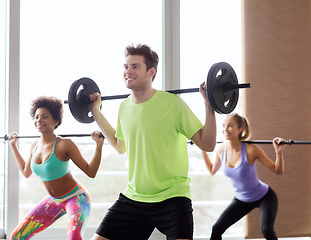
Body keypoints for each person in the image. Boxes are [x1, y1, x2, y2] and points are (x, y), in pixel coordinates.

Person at [88, 44, 217, 240]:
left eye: (135, 66)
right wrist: (96, 111)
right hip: (134, 197)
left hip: (172, 197)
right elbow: (118, 145)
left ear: (151, 72)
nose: (128, 71)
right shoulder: (124, 107)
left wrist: (210, 104)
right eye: (126, 67)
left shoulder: (172, 104)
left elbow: (207, 144)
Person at [7, 96, 104, 240]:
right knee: (17, 236)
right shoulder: (34, 146)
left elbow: (91, 172)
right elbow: (26, 172)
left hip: (76, 197)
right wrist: (13, 146)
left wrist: (99, 146)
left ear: (56, 121)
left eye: (45, 117)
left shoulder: (65, 144)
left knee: (74, 237)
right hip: (54, 200)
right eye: (37, 116)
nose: (39, 120)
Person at [201, 113, 285, 240]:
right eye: (224, 126)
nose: (225, 129)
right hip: (241, 200)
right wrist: (203, 149)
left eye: (230, 126)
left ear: (240, 129)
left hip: (264, 197)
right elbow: (212, 170)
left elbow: (277, 170)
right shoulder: (221, 150)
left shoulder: (251, 150)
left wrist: (278, 152)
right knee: (216, 229)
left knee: (267, 230)